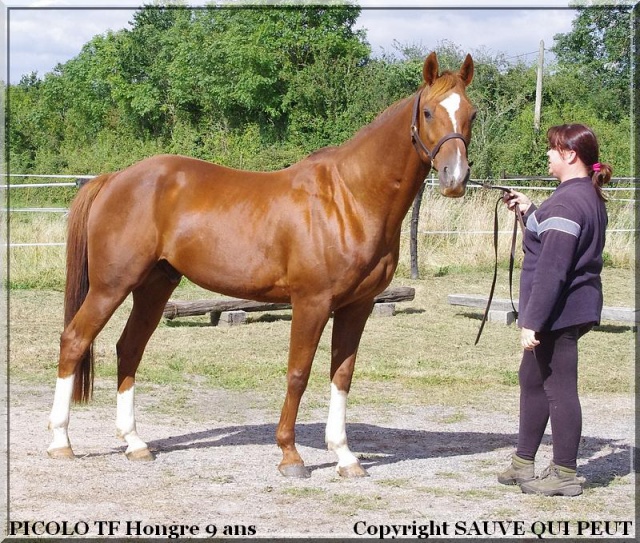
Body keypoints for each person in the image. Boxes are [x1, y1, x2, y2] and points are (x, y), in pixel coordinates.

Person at [498, 123, 611, 497]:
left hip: (558, 311)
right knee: (532, 380)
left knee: (559, 388)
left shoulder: (567, 201)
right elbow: (550, 235)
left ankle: (565, 473)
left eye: (552, 148)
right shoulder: (582, 196)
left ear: (570, 154)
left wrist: (532, 321)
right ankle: (523, 462)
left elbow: (553, 267)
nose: (547, 154)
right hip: (568, 307)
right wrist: (529, 210)